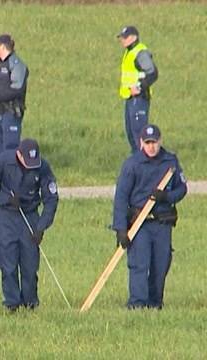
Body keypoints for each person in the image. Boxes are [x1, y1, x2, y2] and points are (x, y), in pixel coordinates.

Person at [113, 124, 186, 309]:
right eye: (148, 143)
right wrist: (120, 228)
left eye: (154, 142)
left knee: (160, 265)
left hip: (162, 223)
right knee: (139, 263)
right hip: (140, 223)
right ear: (141, 143)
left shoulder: (170, 162)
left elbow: (182, 188)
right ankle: (137, 304)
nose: (151, 146)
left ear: (160, 141)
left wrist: (167, 197)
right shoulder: (132, 164)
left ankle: (155, 304)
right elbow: (121, 197)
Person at [0, 138, 58, 311]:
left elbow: (51, 198)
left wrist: (41, 226)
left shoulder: (43, 167)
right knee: (8, 263)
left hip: (30, 216)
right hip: (7, 217)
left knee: (30, 264)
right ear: (19, 154)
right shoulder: (2, 161)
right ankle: (12, 303)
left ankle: (30, 302)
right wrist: (6, 199)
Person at [0, 34, 29, 154]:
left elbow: (17, 89)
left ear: (3, 47)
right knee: (0, 148)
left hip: (11, 112)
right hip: (0, 113)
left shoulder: (16, 64)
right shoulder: (0, 65)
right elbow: (0, 89)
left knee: (10, 148)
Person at [117, 26, 158, 153]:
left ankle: (144, 165)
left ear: (134, 38)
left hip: (138, 99)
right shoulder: (129, 52)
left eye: (125, 37)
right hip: (130, 98)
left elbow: (152, 73)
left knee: (139, 135)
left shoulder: (140, 52)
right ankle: (137, 164)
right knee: (131, 133)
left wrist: (139, 87)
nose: (122, 40)